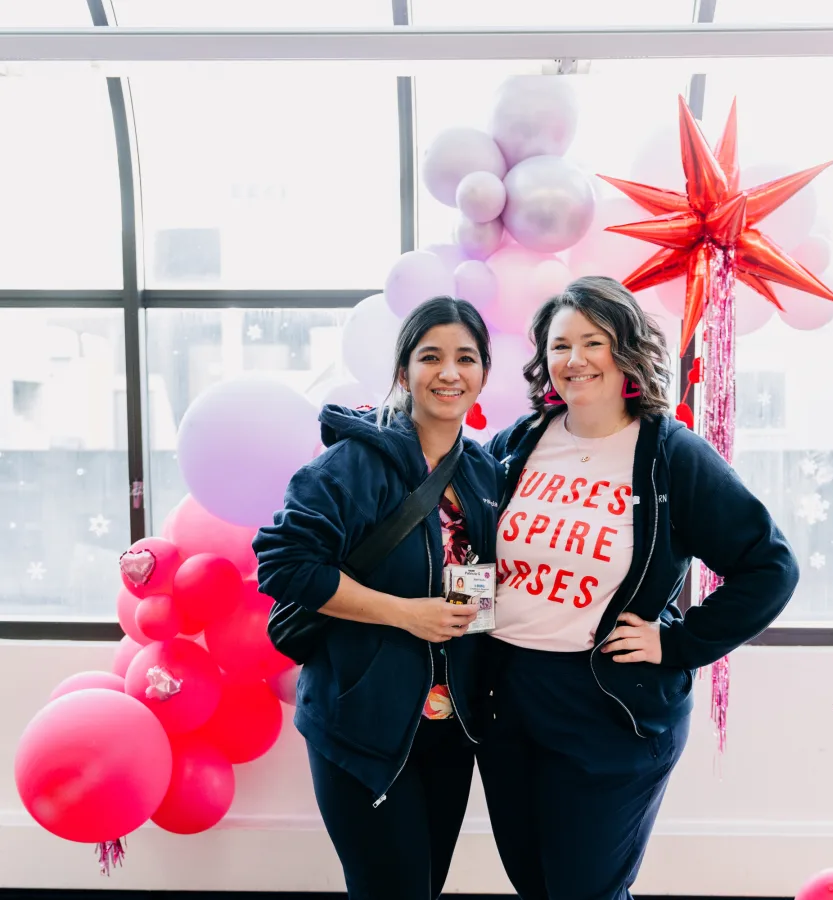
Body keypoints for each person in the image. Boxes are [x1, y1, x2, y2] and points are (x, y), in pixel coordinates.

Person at [479, 276, 800, 900]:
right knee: (535, 882)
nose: (573, 359)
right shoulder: (519, 444)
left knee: (585, 891)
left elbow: (770, 565)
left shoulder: (669, 454)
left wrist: (679, 644)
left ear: (625, 349)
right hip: (509, 697)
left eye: (592, 341)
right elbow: (472, 549)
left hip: (610, 707)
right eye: (559, 344)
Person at [253, 296, 504, 900]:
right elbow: (283, 561)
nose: (450, 372)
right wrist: (405, 614)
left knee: (422, 886)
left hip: (449, 728)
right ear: (402, 373)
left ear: (483, 376)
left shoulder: (483, 472)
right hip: (361, 726)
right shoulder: (353, 463)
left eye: (466, 358)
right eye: (431, 357)